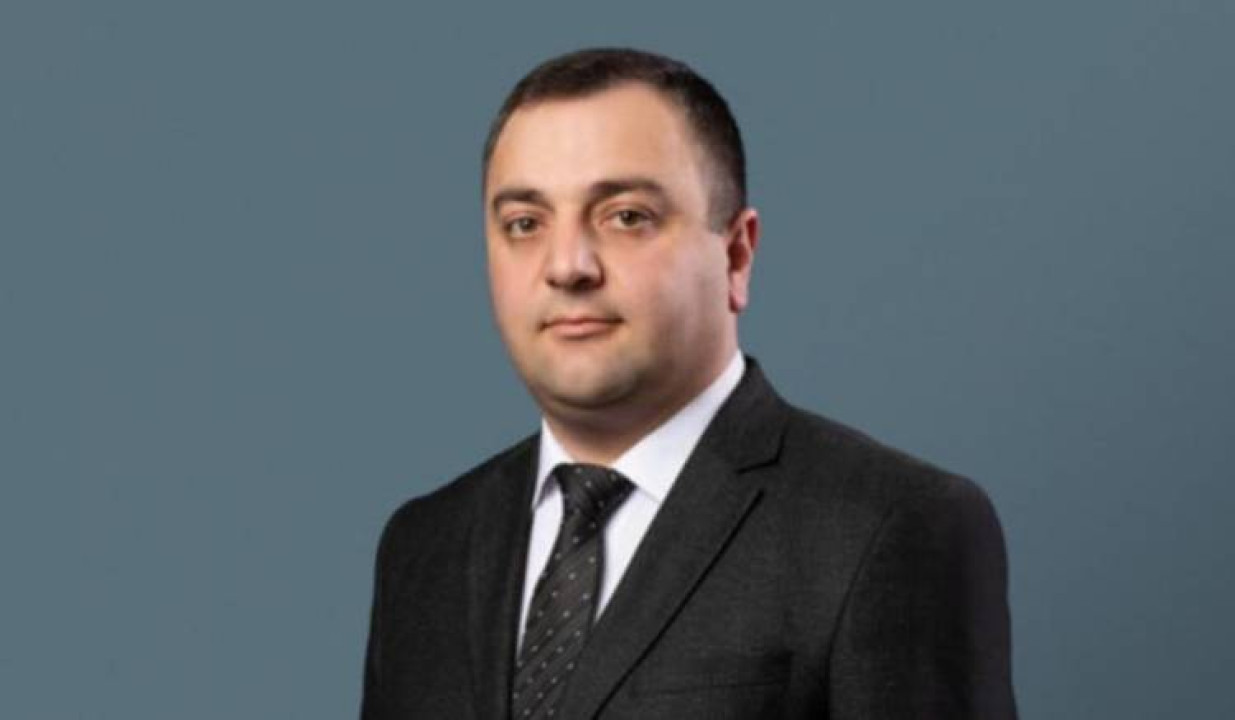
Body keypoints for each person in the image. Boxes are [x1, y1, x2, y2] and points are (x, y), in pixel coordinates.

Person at [360, 47, 1017, 719]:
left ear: (736, 255)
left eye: (625, 216)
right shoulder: (423, 546)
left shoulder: (887, 526)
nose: (567, 266)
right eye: (524, 224)